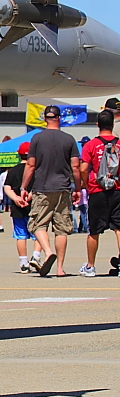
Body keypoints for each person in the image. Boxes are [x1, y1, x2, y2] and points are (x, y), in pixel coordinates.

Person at [20, 105, 80, 277]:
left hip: (42, 188)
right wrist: (78, 188)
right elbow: (75, 167)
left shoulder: (37, 139)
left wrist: (24, 187)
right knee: (61, 229)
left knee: (37, 224)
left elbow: (31, 165)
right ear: (59, 118)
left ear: (45, 118)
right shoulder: (69, 139)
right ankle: (60, 268)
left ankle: (47, 251)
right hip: (63, 188)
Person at [79, 110, 120, 277]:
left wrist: (86, 183)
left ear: (97, 125)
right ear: (112, 125)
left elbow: (82, 168)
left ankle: (90, 266)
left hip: (97, 190)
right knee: (119, 228)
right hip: (117, 190)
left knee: (94, 230)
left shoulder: (91, 145)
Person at [3, 143, 43, 273]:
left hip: (17, 208)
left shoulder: (13, 170)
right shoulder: (36, 170)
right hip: (34, 206)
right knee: (38, 233)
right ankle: (36, 256)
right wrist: (29, 196)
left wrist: (16, 198)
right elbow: (38, 186)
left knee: (20, 236)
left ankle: (23, 262)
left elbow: (7, 187)